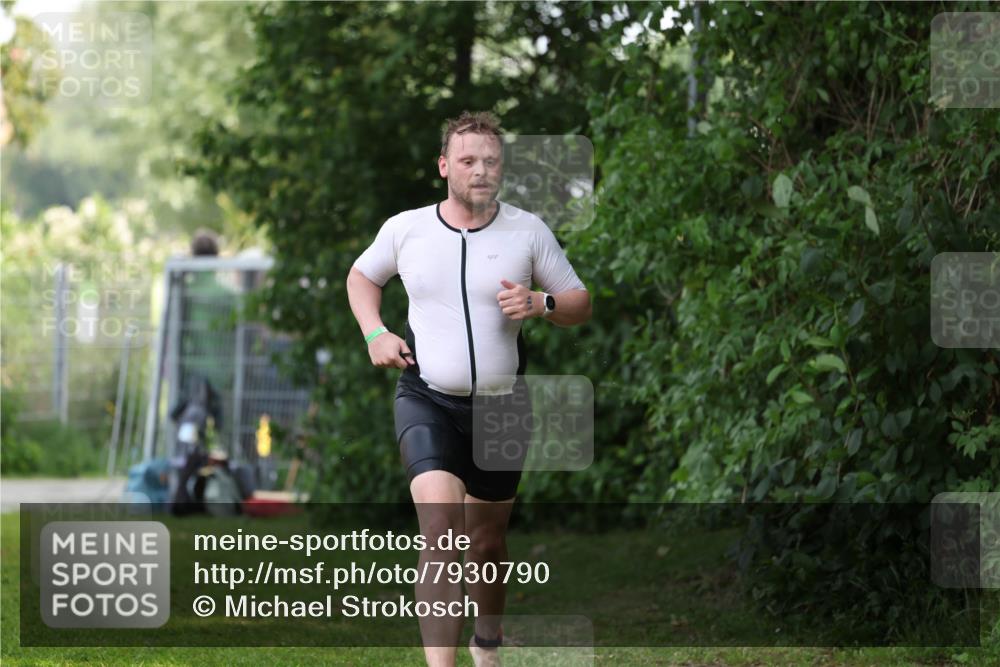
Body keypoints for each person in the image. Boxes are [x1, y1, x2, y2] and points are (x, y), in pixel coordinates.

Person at [346, 111, 591, 667]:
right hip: (426, 397)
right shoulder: (406, 229)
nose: (481, 171)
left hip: (502, 409)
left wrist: (540, 304)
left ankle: (488, 642)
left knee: (485, 545)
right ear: (444, 167)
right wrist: (375, 332)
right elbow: (362, 277)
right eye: (468, 161)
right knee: (441, 536)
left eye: (491, 161)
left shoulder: (528, 230)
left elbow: (579, 302)